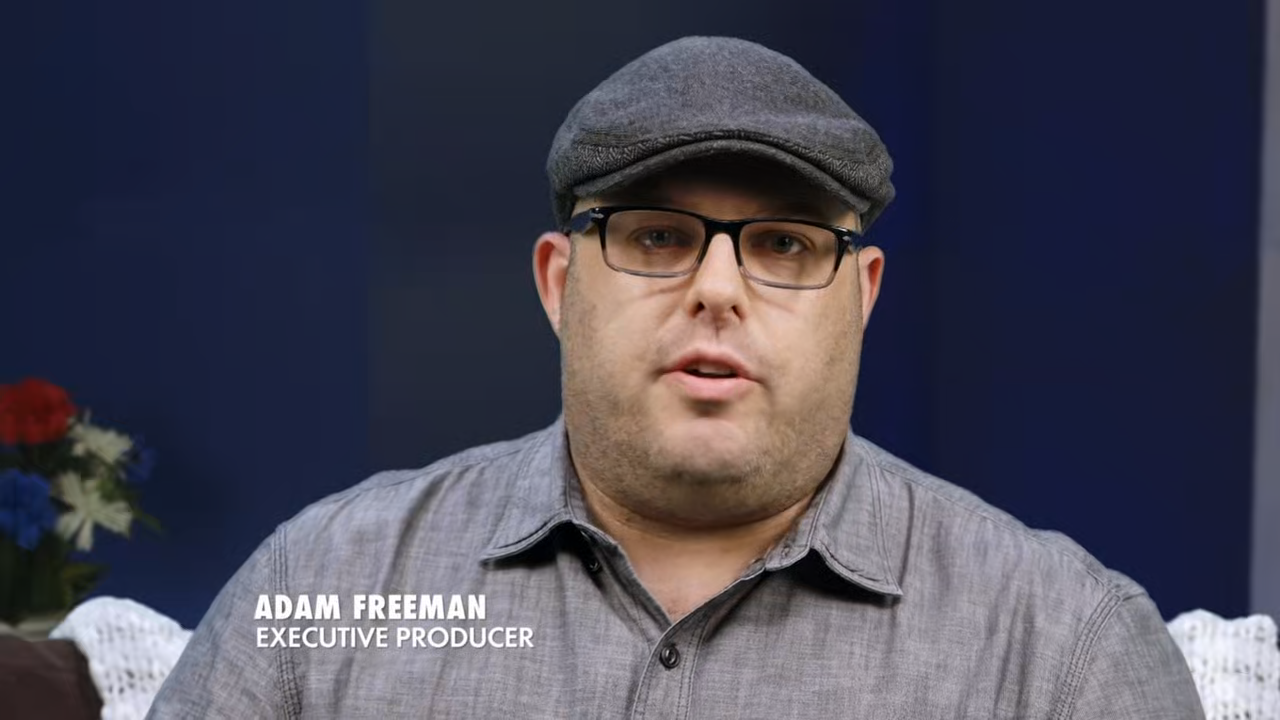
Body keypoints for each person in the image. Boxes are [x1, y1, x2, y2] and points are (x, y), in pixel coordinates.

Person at [148, 36, 1205, 718]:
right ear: (558, 283)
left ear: (862, 296)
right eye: (656, 236)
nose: (717, 289)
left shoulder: (1061, 648)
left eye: (784, 245)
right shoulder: (327, 586)